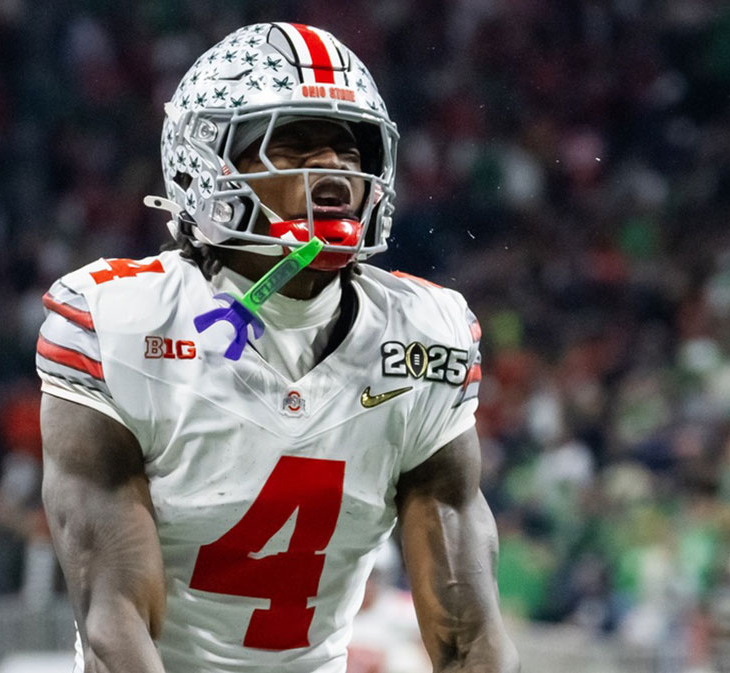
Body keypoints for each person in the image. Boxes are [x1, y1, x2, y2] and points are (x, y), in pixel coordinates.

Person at [38, 22, 519, 673]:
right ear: (205, 163)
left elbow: (469, 635)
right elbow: (113, 622)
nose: (335, 170)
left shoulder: (425, 331)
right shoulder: (120, 320)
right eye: (291, 145)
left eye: (348, 149)